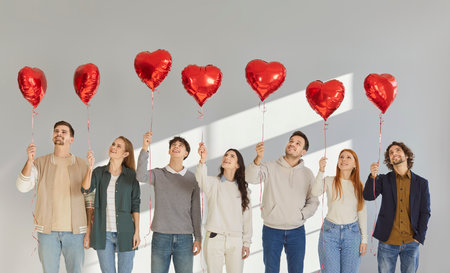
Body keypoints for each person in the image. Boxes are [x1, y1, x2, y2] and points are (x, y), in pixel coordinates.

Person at [16, 121, 92, 273]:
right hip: (47, 233)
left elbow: (90, 200)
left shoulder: (83, 165)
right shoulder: (40, 163)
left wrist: (89, 231)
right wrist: (29, 161)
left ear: (71, 139)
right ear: (52, 136)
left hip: (75, 233)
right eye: (56, 131)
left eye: (64, 132)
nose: (59, 133)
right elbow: (22, 187)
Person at [246, 131, 319, 273]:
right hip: (271, 230)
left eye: (298, 143)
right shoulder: (269, 166)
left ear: (303, 152)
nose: (293, 144)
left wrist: (301, 215)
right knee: (271, 270)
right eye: (291, 141)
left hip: (297, 230)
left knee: (296, 270)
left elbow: (314, 200)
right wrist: (258, 159)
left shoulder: (307, 174)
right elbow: (250, 178)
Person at [136, 132, 201, 273]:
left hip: (185, 238)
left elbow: (196, 211)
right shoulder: (159, 174)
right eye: (173, 145)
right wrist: (145, 148)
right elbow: (140, 175)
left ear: (186, 153)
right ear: (169, 151)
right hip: (161, 236)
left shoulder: (192, 179)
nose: (176, 147)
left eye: (180, 145)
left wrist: (198, 238)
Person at [363, 141, 431, 273]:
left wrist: (419, 237)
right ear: (389, 160)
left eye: (398, 150)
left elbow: (425, 212)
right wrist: (372, 176)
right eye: (391, 153)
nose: (394, 154)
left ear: (406, 155)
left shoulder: (421, 183)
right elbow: (368, 196)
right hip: (387, 242)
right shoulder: (383, 180)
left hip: (411, 242)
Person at [81, 136, 141, 273]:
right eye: (113, 144)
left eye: (119, 146)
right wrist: (90, 167)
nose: (113, 147)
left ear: (125, 154)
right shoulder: (98, 172)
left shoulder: (132, 176)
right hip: (103, 233)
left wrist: (137, 232)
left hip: (126, 233)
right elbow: (85, 190)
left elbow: (135, 205)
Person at [196, 143, 252, 273]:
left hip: (236, 240)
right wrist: (203, 160)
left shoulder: (244, 190)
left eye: (232, 156)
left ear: (237, 165)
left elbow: (247, 219)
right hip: (215, 238)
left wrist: (246, 243)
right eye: (226, 155)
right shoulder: (213, 182)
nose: (227, 157)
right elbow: (200, 178)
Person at [311, 149, 367, 273]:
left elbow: (362, 212)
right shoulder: (329, 180)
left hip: (352, 234)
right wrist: (321, 170)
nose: (343, 159)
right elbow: (314, 192)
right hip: (330, 233)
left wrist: (364, 239)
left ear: (355, 165)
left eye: (348, 157)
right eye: (341, 157)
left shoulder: (359, 186)